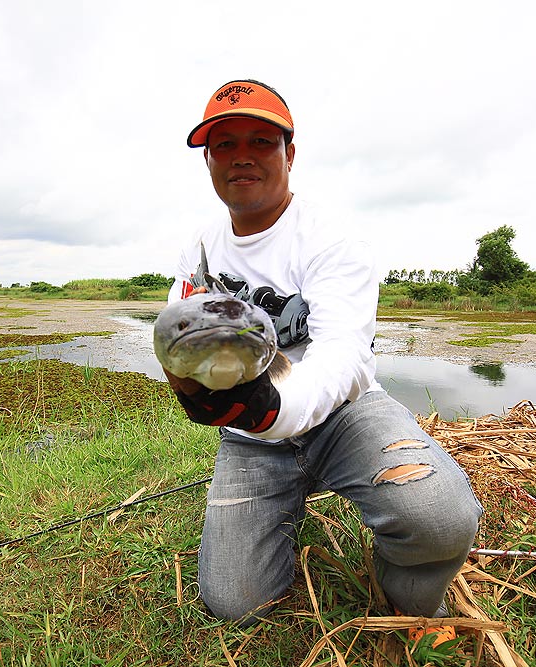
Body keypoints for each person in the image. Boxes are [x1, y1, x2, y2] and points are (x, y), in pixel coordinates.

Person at [163, 79, 483, 632]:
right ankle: (279, 507)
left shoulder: (330, 237)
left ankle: (404, 593)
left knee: (439, 517)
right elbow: (178, 332)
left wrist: (268, 409)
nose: (242, 156)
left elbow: (343, 357)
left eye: (261, 141)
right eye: (225, 145)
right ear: (209, 161)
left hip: (346, 416)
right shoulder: (200, 246)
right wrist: (188, 386)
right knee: (236, 603)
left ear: (290, 153)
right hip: (253, 440)